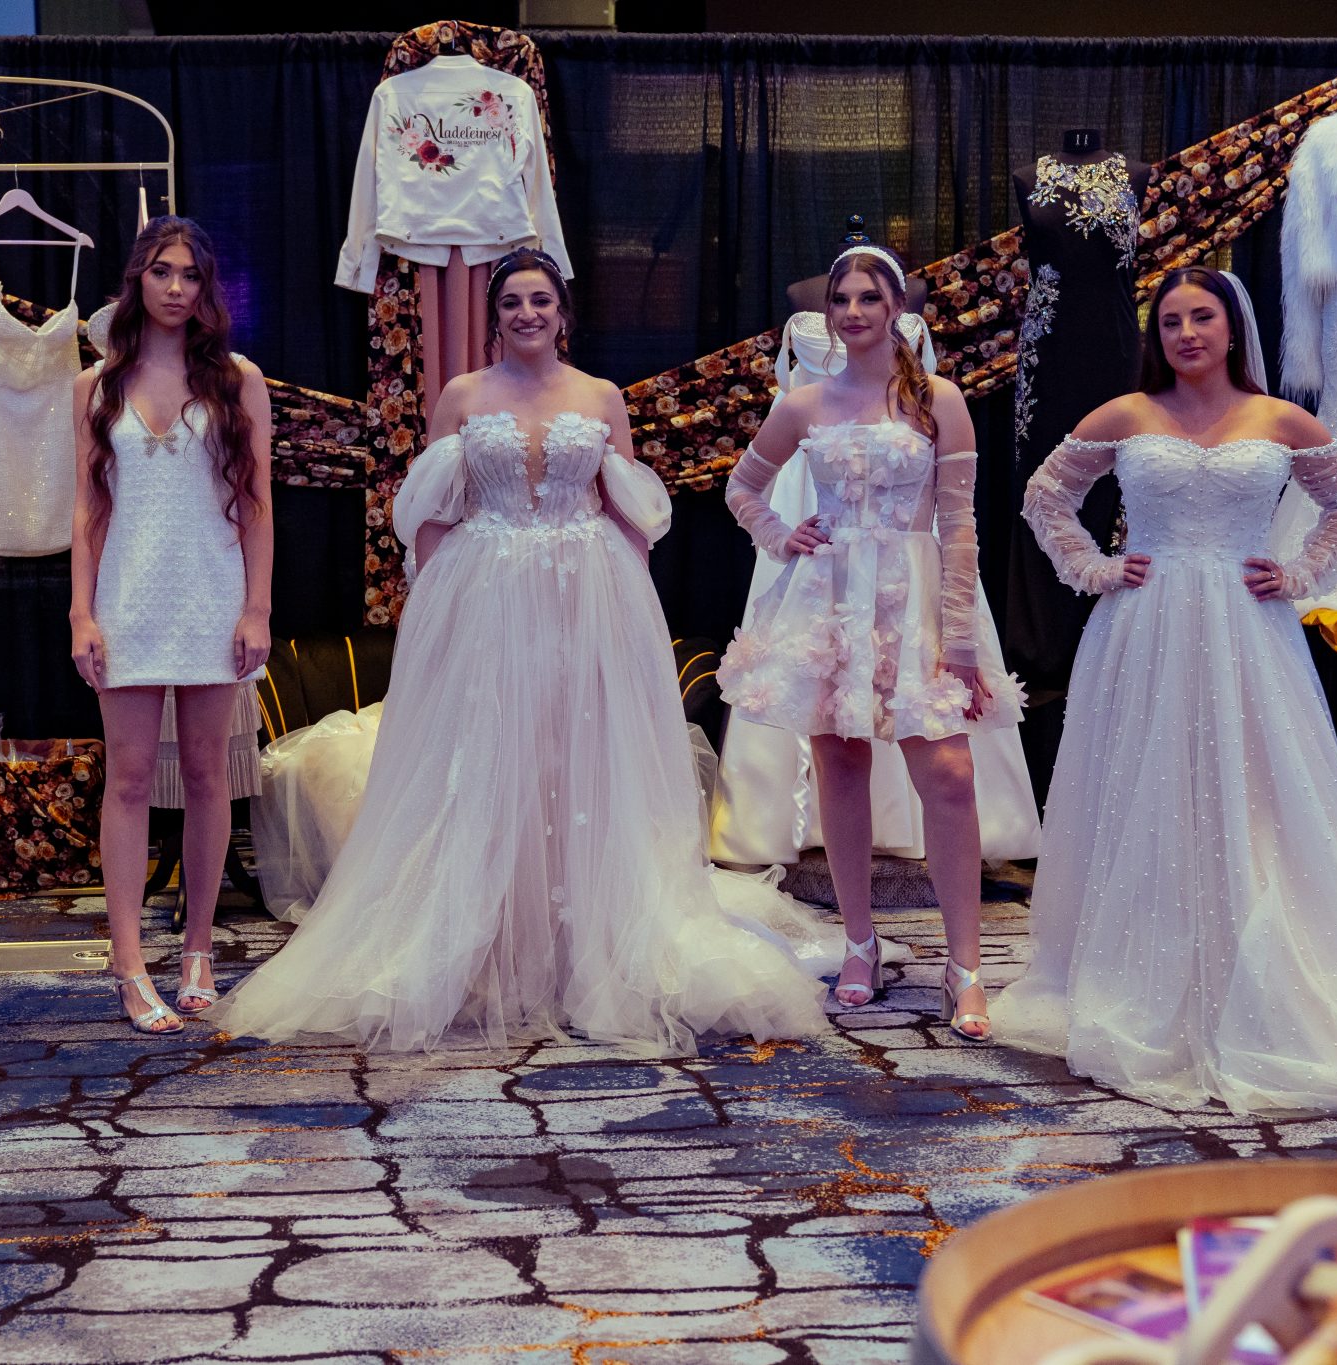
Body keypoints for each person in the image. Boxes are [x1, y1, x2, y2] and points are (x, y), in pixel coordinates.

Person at [207, 248, 834, 1053]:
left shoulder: (600, 395)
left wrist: (630, 622)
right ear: (495, 315)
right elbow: (430, 515)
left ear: (562, 312)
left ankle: (584, 942)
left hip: (586, 590)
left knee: (574, 758)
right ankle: (487, 943)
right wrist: (434, 616)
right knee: (492, 758)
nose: (527, 313)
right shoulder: (463, 397)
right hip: (488, 594)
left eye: (540, 300)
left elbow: (629, 510)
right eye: (512, 303)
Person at [996, 265, 1337, 1114]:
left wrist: (1303, 569)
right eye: (1169, 321)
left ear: (1232, 327)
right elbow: (1044, 493)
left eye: (1200, 316)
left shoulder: (1279, 419)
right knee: (1145, 785)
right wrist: (1090, 567)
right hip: (1144, 624)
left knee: (1257, 793)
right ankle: (1143, 965)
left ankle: (1260, 956)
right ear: (1155, 336)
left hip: (1248, 629)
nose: (1186, 334)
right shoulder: (1129, 415)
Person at [716, 245, 1022, 1041]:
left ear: (896, 309)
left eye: (868, 298)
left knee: (948, 773)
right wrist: (783, 536)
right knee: (839, 763)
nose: (853, 312)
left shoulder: (937, 401)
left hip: (914, 597)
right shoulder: (805, 404)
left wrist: (958, 639)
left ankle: (966, 966)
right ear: (829, 313)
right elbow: (742, 487)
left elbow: (959, 525)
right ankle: (860, 944)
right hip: (828, 601)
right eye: (841, 299)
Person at [70, 217, 274, 1034]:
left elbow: (258, 506)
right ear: (136, 281)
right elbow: (85, 508)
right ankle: (127, 965)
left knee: (204, 776)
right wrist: (82, 610)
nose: (177, 287)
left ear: (206, 289)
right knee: (125, 779)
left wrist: (256, 605)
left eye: (191, 274)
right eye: (162, 272)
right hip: (127, 596)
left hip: (211, 594)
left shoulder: (239, 380)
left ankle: (196, 950)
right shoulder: (96, 385)